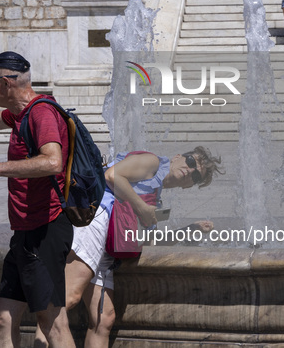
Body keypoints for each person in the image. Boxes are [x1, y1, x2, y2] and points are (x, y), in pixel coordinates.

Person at [35, 147, 224, 347]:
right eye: (191, 162)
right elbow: (112, 175)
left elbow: (150, 241)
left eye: (196, 175)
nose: (190, 169)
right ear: (178, 156)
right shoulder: (152, 162)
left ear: (188, 186)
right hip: (95, 221)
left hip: (108, 243)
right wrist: (141, 208)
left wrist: (189, 229)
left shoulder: (154, 195)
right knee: (67, 298)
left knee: (103, 320)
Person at [0, 51, 76, 348]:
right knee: (3, 317)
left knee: (53, 323)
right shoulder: (23, 114)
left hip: (46, 229)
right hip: (26, 231)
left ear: (5, 84)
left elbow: (53, 162)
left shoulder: (41, 113)